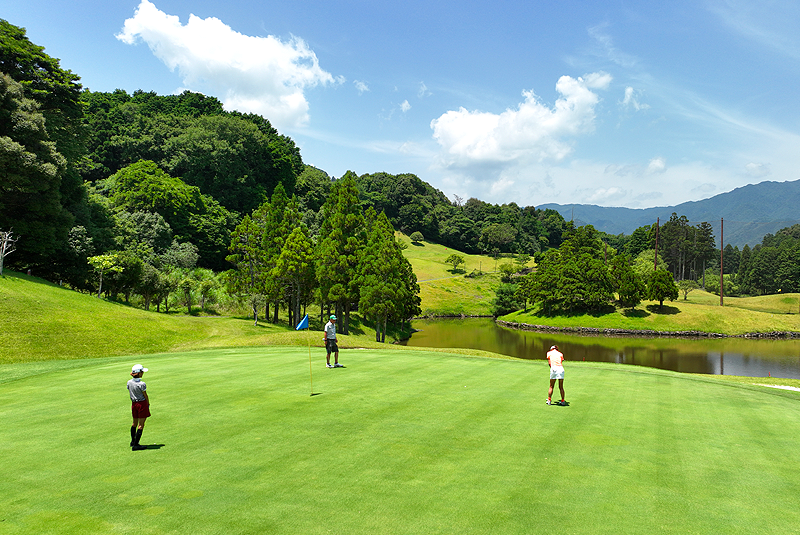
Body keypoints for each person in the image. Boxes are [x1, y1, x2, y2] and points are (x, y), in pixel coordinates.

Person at [127, 364, 150, 450]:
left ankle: (133, 441)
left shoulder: (129, 382)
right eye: (142, 372)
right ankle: (136, 445)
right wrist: (148, 404)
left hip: (134, 404)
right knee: (141, 425)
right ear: (139, 373)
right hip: (141, 404)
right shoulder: (142, 384)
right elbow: (145, 395)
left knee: (134, 423)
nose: (143, 373)